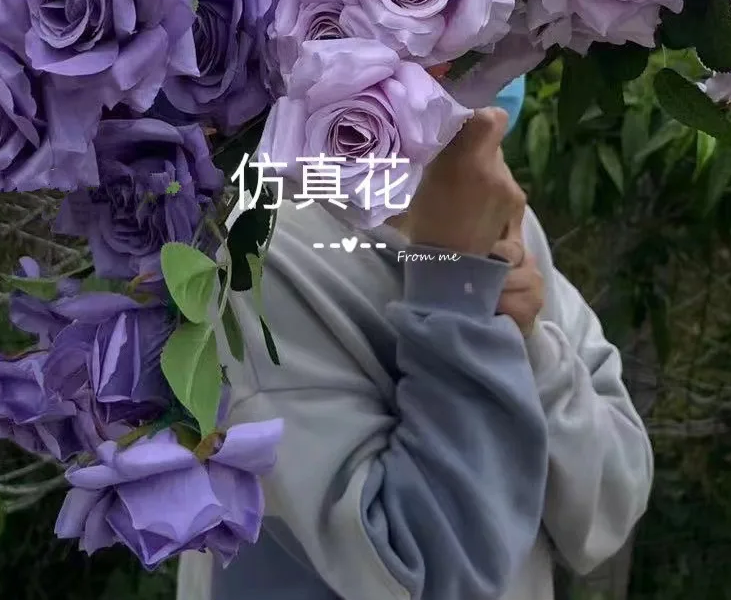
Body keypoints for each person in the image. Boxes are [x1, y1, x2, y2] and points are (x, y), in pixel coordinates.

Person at [175, 78, 654, 600]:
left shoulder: (496, 211)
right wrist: (454, 287)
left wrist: (529, 345)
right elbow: (426, 574)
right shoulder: (259, 258)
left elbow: (610, 506)